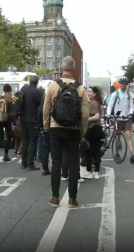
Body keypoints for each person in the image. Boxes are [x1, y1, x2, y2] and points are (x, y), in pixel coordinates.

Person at [43, 56, 89, 208]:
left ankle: (55, 197)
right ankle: (72, 199)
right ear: (74, 69)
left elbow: (46, 108)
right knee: (73, 163)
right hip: (73, 130)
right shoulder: (80, 88)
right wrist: (82, 130)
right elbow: (85, 114)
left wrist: (46, 126)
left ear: (61, 68)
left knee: (56, 162)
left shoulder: (53, 86)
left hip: (56, 127)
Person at [105, 76, 134, 164]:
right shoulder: (116, 94)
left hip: (126, 117)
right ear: (119, 84)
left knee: (129, 135)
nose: (123, 84)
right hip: (117, 117)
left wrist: (131, 113)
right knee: (118, 135)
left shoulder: (128, 95)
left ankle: (132, 154)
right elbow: (110, 105)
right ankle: (117, 152)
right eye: (121, 83)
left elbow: (131, 106)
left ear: (126, 84)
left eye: (124, 83)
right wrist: (109, 114)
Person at [19, 76, 42, 170]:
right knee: (32, 142)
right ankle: (30, 163)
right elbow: (41, 105)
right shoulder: (36, 92)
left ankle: (23, 163)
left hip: (23, 118)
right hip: (32, 120)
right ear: (37, 82)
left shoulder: (24, 90)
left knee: (25, 141)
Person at [84, 86, 105, 180]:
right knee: (95, 151)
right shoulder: (95, 102)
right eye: (87, 91)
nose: (88, 93)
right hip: (97, 129)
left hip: (92, 129)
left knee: (89, 151)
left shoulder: (93, 103)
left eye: (89, 92)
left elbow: (96, 116)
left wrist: (85, 120)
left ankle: (90, 171)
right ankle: (96, 171)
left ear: (94, 93)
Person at [0, 84, 15, 162]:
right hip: (6, 120)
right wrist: (13, 122)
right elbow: (12, 112)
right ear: (9, 91)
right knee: (8, 137)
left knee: (1, 136)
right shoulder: (9, 99)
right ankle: (6, 155)